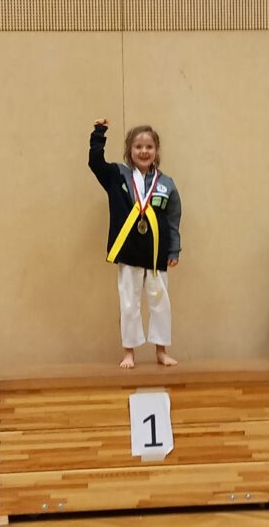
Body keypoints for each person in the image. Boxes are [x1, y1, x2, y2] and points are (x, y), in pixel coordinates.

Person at [89, 119, 182, 369]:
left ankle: (161, 351)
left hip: (156, 253)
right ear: (129, 150)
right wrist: (99, 134)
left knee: (160, 303)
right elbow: (95, 163)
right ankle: (129, 352)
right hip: (129, 252)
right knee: (129, 303)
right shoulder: (117, 175)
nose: (143, 151)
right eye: (138, 146)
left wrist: (174, 249)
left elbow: (173, 220)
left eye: (149, 146)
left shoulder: (166, 184)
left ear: (156, 151)